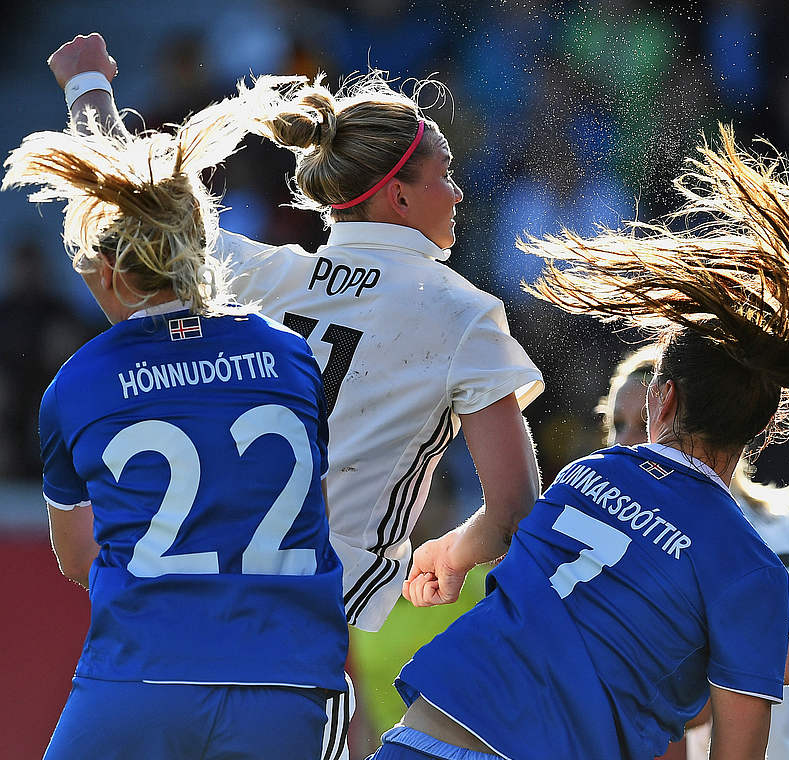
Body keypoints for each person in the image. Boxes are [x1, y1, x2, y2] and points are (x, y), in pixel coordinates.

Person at [370, 126, 789, 760]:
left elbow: (572, 569)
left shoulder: (590, 475)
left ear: (665, 400)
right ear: (761, 430)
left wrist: (451, 554)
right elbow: (726, 679)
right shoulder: (748, 565)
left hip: (424, 734)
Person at [49, 34, 544, 760]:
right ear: (398, 192)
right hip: (297, 634)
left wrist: (88, 87)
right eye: (446, 173)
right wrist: (452, 552)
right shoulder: (462, 313)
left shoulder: (253, 275)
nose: (461, 191)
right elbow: (515, 512)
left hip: (173, 613)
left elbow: (125, 199)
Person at [4, 81, 347, 759]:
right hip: (286, 682)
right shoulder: (290, 355)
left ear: (107, 270)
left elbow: (80, 559)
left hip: (140, 676)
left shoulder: (79, 382)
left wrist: (86, 89)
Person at [599, 346, 789, 760]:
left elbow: (684, 708)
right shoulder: (779, 522)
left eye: (641, 423)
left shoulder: (671, 539)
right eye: (617, 425)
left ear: (670, 410)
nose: (625, 441)